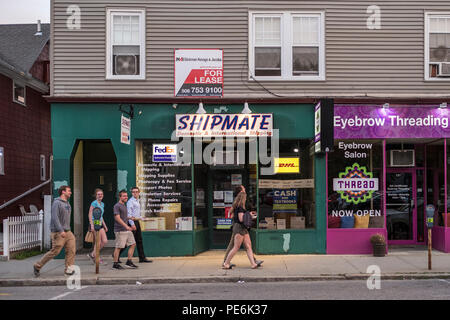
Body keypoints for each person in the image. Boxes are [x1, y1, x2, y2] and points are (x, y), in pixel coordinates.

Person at [33, 186, 76, 277]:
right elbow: (55, 217)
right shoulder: (57, 203)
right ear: (63, 192)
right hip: (58, 232)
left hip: (68, 231)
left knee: (71, 250)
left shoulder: (68, 203)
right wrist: (60, 230)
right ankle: (37, 266)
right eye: (69, 191)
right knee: (55, 251)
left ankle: (68, 269)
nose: (70, 192)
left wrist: (66, 229)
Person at [222, 185, 263, 268]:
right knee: (236, 247)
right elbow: (241, 219)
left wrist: (248, 215)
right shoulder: (240, 207)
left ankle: (253, 264)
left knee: (248, 246)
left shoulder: (238, 206)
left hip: (242, 228)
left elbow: (233, 215)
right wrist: (249, 216)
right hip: (239, 228)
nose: (246, 199)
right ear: (242, 197)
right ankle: (226, 263)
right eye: (245, 197)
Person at [122, 186, 152, 263]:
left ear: (139, 193)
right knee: (129, 241)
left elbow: (136, 214)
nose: (135, 193)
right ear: (132, 193)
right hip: (132, 222)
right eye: (133, 192)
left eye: (136, 192)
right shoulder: (130, 202)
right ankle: (116, 254)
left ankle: (142, 258)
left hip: (137, 221)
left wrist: (142, 218)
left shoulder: (137, 200)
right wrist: (132, 224)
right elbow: (129, 214)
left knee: (139, 240)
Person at [112, 190, 138, 270]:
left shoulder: (124, 205)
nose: (126, 197)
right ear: (120, 197)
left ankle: (129, 262)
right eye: (124, 196)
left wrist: (130, 218)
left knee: (133, 244)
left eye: (126, 196)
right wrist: (126, 226)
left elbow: (124, 217)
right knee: (119, 247)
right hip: (120, 230)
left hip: (126, 229)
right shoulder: (117, 206)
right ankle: (115, 264)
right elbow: (117, 218)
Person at [87, 188, 108, 265]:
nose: (100, 195)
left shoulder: (102, 204)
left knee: (104, 241)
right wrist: (91, 225)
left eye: (101, 194)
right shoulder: (94, 203)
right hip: (94, 223)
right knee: (98, 241)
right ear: (96, 195)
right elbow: (90, 214)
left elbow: (101, 216)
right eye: (98, 194)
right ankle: (96, 257)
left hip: (100, 223)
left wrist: (105, 226)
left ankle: (93, 254)